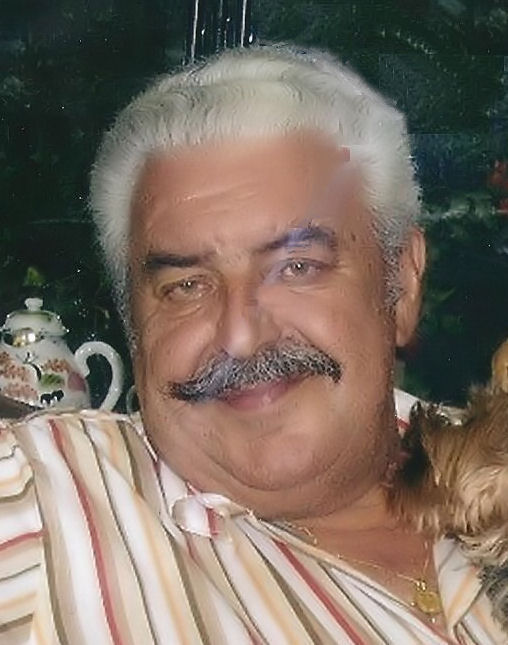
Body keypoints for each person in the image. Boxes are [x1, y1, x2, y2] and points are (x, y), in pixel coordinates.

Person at [0, 45, 504, 644]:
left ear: (403, 282)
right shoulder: (41, 497)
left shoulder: (492, 461)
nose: (240, 336)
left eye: (297, 268)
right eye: (187, 286)